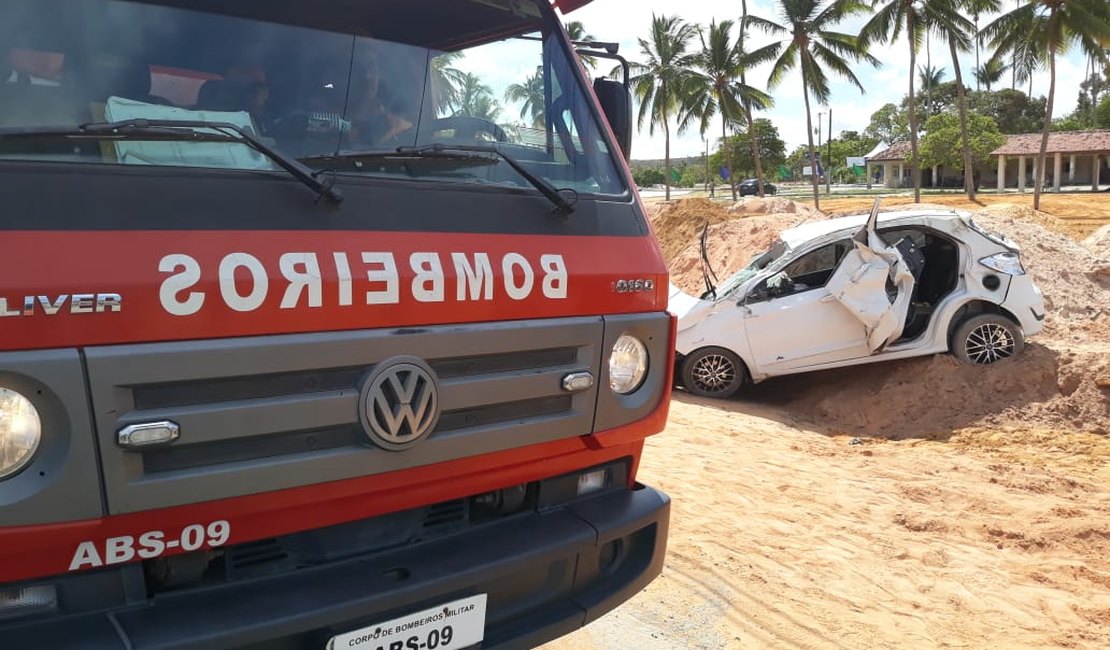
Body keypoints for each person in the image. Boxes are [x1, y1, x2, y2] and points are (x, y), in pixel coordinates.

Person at [347, 49, 413, 148]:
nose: (368, 76)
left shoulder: (392, 110)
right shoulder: (343, 116)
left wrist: (401, 127)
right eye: (361, 70)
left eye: (372, 68)